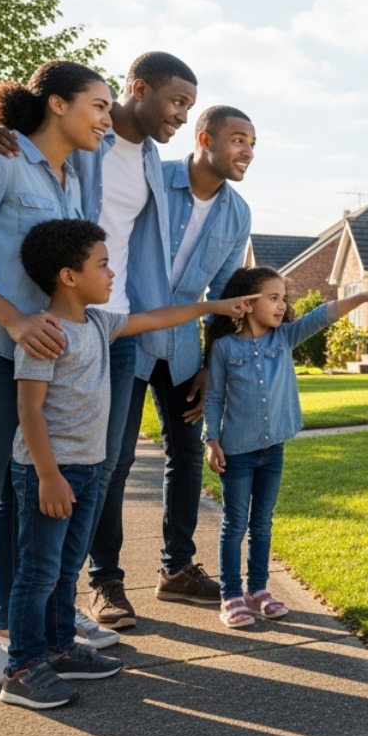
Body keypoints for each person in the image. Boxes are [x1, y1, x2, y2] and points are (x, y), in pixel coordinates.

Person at [0, 51, 198, 632]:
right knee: (30, 473)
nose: (181, 118)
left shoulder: (153, 163)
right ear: (135, 90)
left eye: (189, 108)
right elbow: (20, 156)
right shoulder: (73, 147)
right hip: (51, 324)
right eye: (175, 102)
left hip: (115, 323)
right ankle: (37, 612)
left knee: (106, 462)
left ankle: (57, 610)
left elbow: (197, 178)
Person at [0, 219, 256, 710]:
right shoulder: (45, 333)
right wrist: (49, 475)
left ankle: (57, 647)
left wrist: (214, 306)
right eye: (102, 264)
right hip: (49, 474)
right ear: (68, 276)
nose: (112, 272)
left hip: (89, 469)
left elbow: (160, 318)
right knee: (38, 571)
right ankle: (22, 668)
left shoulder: (100, 322)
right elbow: (29, 410)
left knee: (66, 566)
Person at [0, 61, 111, 686]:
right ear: (57, 104)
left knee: (14, 497)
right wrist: (11, 320)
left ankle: (16, 629)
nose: (106, 119)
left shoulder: (68, 180)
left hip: (22, 357)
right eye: (97, 105)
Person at [202, 268, 368, 628]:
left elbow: (323, 314)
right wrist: (211, 441)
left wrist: (364, 296)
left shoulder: (284, 338)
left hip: (273, 449)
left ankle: (258, 592)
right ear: (247, 303)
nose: (282, 305)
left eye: (283, 298)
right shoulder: (224, 348)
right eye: (273, 298)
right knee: (235, 523)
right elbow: (213, 399)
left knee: (262, 523)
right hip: (237, 451)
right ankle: (231, 596)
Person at [137, 106, 255, 605]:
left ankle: (177, 569)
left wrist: (210, 364)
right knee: (111, 462)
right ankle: (105, 581)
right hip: (126, 338)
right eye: (237, 140)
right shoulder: (153, 179)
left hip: (183, 350)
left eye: (252, 144)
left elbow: (224, 296)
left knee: (185, 456)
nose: (247, 152)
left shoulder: (238, 212)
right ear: (204, 139)